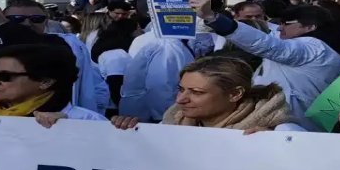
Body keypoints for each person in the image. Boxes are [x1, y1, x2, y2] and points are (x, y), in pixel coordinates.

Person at [189, 0, 340, 128]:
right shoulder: (323, 48)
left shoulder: (311, 47)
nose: (279, 27)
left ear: (310, 27)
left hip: (292, 126)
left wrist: (213, 17)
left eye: (286, 23)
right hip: (294, 124)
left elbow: (266, 44)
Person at [113, 57, 296, 133]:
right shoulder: (170, 124)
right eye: (181, 89)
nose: (180, 100)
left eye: (197, 92)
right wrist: (129, 134)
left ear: (234, 94)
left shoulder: (281, 132)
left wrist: (278, 149)